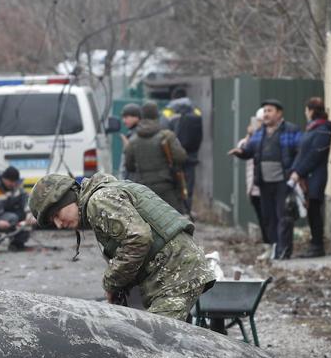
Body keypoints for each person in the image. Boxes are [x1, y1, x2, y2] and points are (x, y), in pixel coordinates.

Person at [28, 173, 216, 321]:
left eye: (56, 215)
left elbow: (138, 239)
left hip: (177, 275)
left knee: (158, 346)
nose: (59, 224)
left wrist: (111, 283)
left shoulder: (99, 201)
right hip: (172, 272)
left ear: (67, 198)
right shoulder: (105, 194)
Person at [228, 99, 301, 260]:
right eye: (265, 111)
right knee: (268, 217)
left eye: (270, 110)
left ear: (279, 113)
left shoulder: (291, 130)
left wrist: (296, 173)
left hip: (284, 181)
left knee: (284, 216)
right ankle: (273, 248)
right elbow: (249, 150)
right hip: (264, 182)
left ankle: (284, 251)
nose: (266, 114)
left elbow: (300, 152)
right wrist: (240, 152)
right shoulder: (259, 133)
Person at [122, 101, 188, 214]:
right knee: (175, 219)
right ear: (157, 115)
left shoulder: (133, 140)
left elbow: (129, 166)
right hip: (166, 186)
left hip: (143, 188)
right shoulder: (167, 136)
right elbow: (181, 157)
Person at [289, 97, 331, 258]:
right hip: (308, 175)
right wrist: (295, 170)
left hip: (316, 176)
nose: (305, 113)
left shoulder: (322, 130)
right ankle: (314, 244)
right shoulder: (313, 128)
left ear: (312, 111)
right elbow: (302, 152)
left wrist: (299, 172)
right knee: (311, 211)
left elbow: (314, 155)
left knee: (314, 210)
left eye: (307, 110)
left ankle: (317, 245)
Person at [164, 88, 203, 209]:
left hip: (174, 155)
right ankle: (187, 209)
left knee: (174, 183)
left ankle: (176, 210)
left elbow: (164, 130)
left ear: (173, 97)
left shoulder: (168, 110)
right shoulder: (195, 109)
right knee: (189, 184)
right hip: (192, 154)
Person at [240, 110, 270, 249]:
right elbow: (242, 148)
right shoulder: (253, 138)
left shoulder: (266, 136)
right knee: (261, 217)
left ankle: (270, 244)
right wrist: (249, 135)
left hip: (264, 183)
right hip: (253, 185)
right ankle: (266, 244)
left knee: (267, 217)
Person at [118, 102, 141, 180]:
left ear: (136, 117)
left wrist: (128, 147)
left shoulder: (139, 134)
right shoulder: (132, 133)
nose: (124, 121)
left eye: (127, 117)